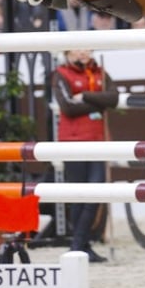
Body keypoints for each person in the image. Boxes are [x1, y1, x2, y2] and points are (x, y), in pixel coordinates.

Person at [53, 48, 119, 263]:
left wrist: (86, 96)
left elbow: (114, 98)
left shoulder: (101, 71)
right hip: (73, 142)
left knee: (95, 192)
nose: (83, 52)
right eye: (77, 48)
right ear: (68, 52)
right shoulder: (60, 73)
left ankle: (78, 244)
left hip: (97, 140)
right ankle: (81, 244)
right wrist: (100, 101)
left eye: (86, 48)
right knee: (79, 195)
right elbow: (68, 107)